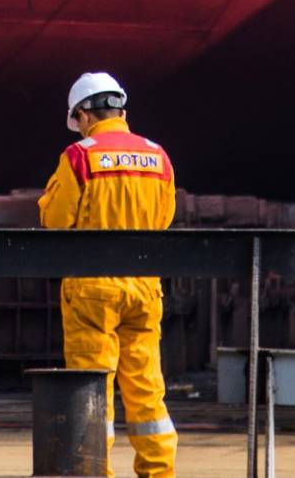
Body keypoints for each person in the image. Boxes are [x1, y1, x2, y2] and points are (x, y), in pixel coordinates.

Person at [38, 73, 178, 478]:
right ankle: (159, 471)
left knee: (92, 391)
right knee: (147, 386)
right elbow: (165, 218)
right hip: (144, 286)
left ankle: (94, 472)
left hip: (92, 287)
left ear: (82, 114)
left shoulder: (79, 155)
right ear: (121, 111)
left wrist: (47, 201)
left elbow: (58, 220)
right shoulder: (158, 155)